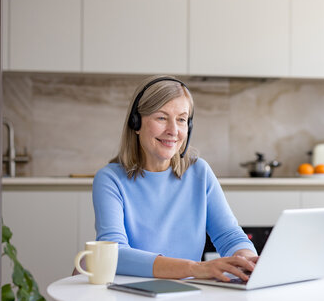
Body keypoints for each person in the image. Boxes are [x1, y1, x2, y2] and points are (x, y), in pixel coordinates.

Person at [92, 75, 258, 282]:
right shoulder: (110, 179)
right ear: (136, 123)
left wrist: (247, 259)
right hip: (132, 294)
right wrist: (195, 268)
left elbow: (229, 235)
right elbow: (114, 254)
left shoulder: (199, 172)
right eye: (161, 118)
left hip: (189, 295)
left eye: (181, 119)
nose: (173, 131)